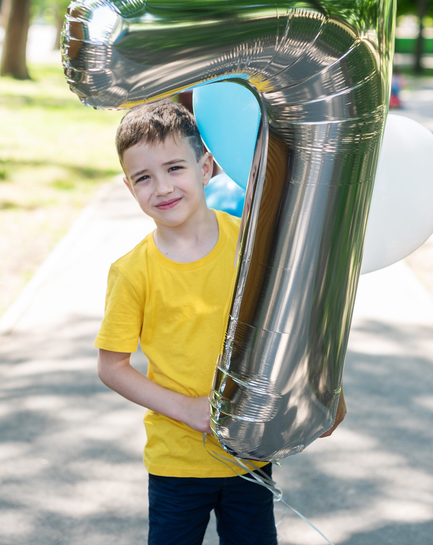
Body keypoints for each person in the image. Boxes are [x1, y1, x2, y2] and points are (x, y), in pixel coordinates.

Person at [95, 99, 346, 545]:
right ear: (129, 187)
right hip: (176, 463)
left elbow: (291, 326)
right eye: (144, 177)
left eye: (175, 168)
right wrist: (188, 410)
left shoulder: (251, 247)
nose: (162, 187)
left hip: (249, 454)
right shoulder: (133, 271)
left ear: (205, 166)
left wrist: (322, 391)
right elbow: (111, 366)